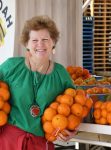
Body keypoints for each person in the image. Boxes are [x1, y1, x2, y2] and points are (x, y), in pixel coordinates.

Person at [0, 15, 77, 150]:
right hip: (8, 142)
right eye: (34, 40)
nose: (40, 44)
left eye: (45, 39)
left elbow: (75, 107)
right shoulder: (10, 67)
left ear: (53, 42)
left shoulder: (61, 74)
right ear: (27, 44)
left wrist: (71, 131)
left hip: (40, 144)